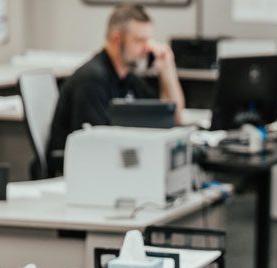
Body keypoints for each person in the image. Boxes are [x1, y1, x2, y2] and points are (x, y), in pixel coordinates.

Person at [46, 3, 186, 173]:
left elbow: (172, 119)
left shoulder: (127, 78)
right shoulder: (91, 80)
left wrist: (167, 70)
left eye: (148, 41)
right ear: (117, 39)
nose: (147, 49)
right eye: (140, 40)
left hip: (116, 164)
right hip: (79, 173)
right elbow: (96, 148)